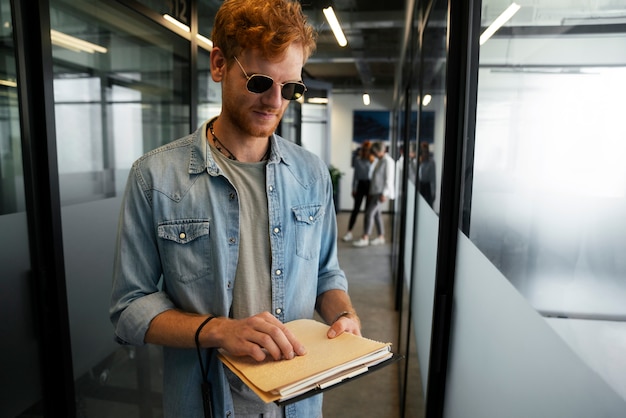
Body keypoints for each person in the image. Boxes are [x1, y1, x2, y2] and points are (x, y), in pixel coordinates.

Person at [109, 1, 361, 417]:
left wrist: (345, 316)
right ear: (220, 64)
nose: (275, 102)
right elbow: (129, 309)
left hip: (297, 402)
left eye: (291, 88)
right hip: (206, 402)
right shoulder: (154, 178)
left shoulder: (312, 174)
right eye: (260, 81)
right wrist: (220, 331)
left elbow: (326, 273)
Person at [353, 141, 395, 247]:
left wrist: (384, 194)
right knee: (377, 215)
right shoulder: (380, 160)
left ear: (379, 151)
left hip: (380, 192)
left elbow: (388, 180)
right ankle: (381, 236)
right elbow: (376, 178)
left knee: (369, 214)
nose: (373, 154)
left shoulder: (388, 161)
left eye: (375, 152)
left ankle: (365, 237)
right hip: (376, 191)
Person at [342, 141, 374, 242]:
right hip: (360, 185)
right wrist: (353, 188)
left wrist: (372, 191)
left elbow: (374, 177)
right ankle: (349, 232)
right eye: (364, 150)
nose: (365, 152)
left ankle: (365, 234)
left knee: (367, 212)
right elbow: (355, 176)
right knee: (355, 210)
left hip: (369, 186)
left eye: (367, 150)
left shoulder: (373, 161)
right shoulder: (357, 160)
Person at [418, 141, 436, 207]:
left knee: (428, 205)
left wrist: (433, 192)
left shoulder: (431, 162)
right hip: (419, 186)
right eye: (423, 152)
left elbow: (432, 178)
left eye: (426, 151)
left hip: (427, 187)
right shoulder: (418, 162)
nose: (425, 153)